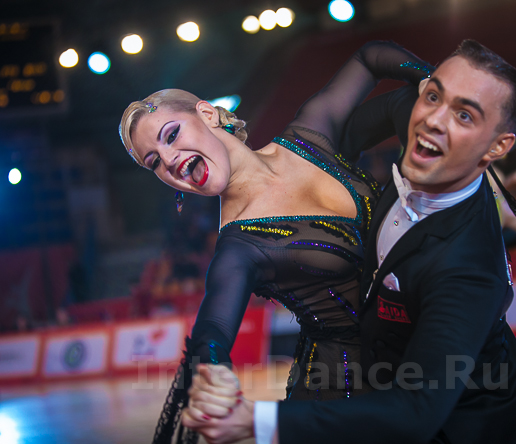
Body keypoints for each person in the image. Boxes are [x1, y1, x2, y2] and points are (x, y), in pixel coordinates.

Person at [183, 40, 516, 444]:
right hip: (360, 385)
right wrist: (212, 366)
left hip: (468, 426)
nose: (435, 120)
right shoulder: (418, 160)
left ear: (496, 147)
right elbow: (371, 64)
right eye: (433, 96)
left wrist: (256, 421)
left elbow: (417, 410)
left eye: (464, 115)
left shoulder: (468, 267)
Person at [119, 41, 433, 442]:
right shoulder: (239, 247)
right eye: (154, 163)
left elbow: (370, 58)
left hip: (425, 356)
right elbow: (212, 328)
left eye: (171, 135)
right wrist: (213, 368)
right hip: (342, 392)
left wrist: (434, 84)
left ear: (207, 114)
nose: (169, 160)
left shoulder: (310, 136)